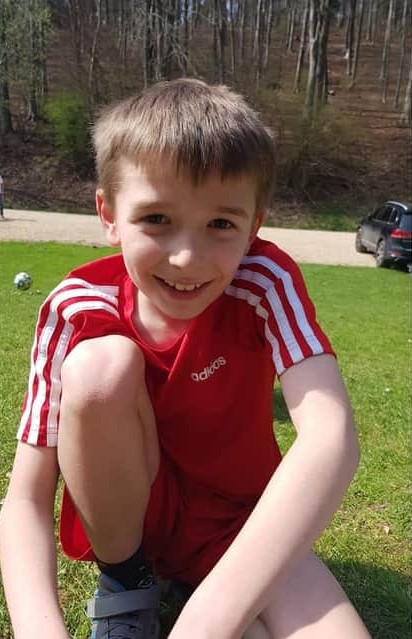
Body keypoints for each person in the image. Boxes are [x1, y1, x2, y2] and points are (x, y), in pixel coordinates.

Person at [0, 78, 371, 639]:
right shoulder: (75, 308)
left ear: (255, 226)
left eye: (221, 224)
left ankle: (200, 594)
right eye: (156, 219)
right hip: (134, 527)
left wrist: (208, 619)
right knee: (101, 371)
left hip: (242, 528)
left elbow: (330, 436)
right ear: (108, 212)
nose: (186, 257)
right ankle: (127, 586)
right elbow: (25, 498)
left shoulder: (265, 282)